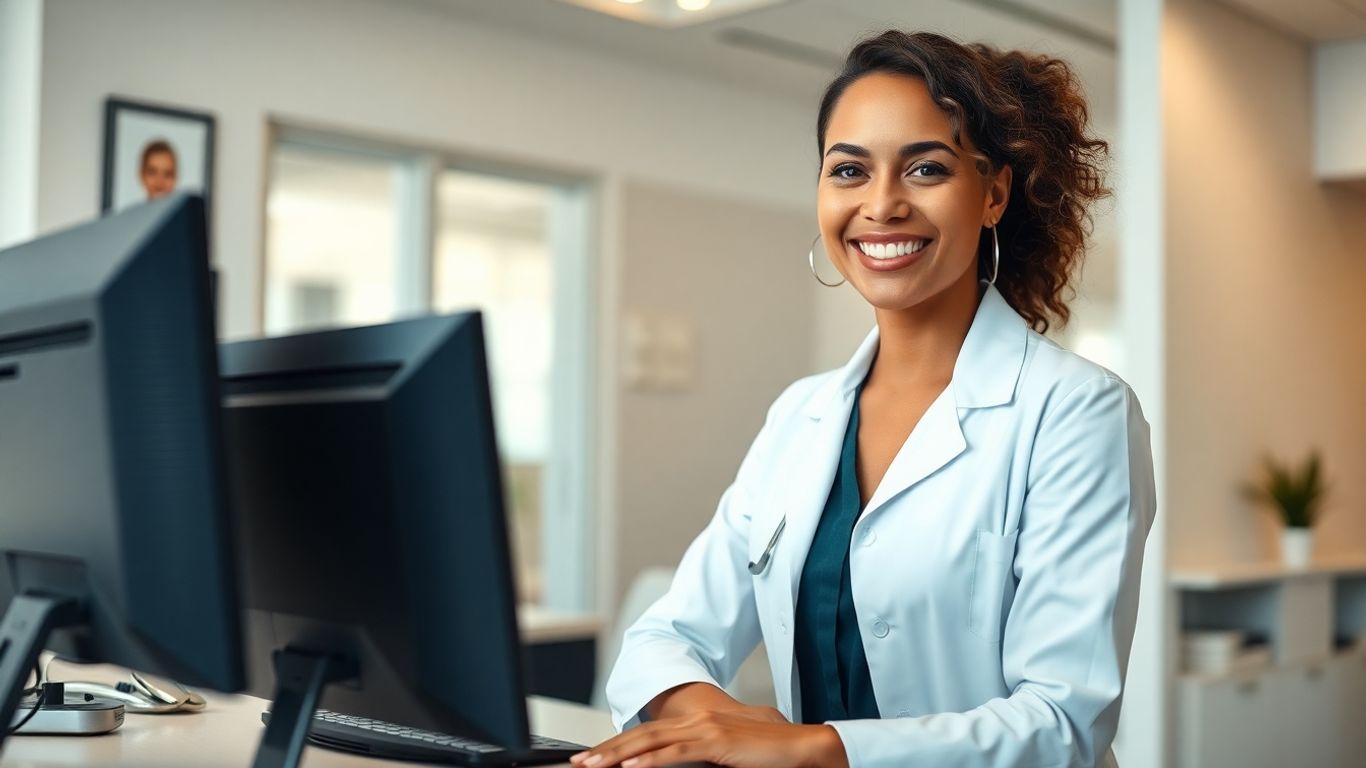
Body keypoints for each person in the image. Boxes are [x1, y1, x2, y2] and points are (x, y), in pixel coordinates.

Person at [576, 30, 1156, 768]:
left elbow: (1060, 723)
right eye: (849, 169)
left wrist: (810, 747)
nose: (882, 205)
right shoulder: (800, 415)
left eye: (926, 168)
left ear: (994, 194)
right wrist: (726, 730)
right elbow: (664, 640)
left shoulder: (1077, 413)